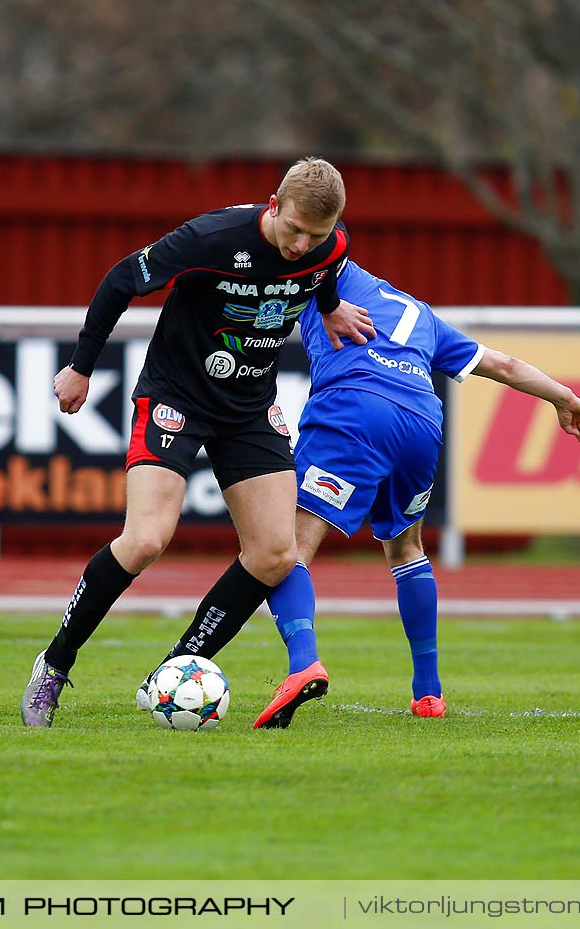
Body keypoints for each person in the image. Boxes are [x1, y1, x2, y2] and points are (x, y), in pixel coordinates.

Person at [24, 158, 376, 726]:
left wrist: (331, 307)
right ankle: (55, 664)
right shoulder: (211, 238)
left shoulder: (327, 247)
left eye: (317, 234)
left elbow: (321, 275)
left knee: (275, 554)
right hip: (176, 398)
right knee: (144, 541)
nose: (302, 244)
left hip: (250, 409)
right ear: (274, 204)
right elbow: (120, 279)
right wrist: (80, 368)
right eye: (294, 230)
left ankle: (175, 670)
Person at [253, 261, 580, 729]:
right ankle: (429, 692)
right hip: (422, 423)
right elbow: (504, 364)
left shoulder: (320, 271)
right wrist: (563, 396)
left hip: (354, 410)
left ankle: (303, 664)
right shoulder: (421, 314)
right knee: (406, 548)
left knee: (286, 546)